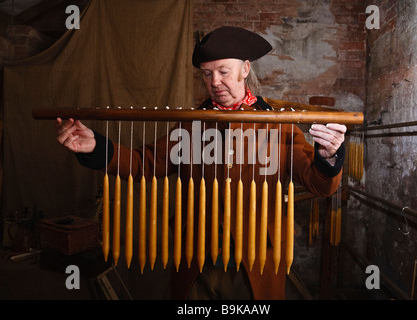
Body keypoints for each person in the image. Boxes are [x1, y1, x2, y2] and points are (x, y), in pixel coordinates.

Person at [56, 26, 346, 300]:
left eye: (223, 72)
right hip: (196, 263)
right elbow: (143, 163)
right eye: (207, 74)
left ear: (245, 69)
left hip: (257, 265)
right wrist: (95, 147)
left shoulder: (278, 126)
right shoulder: (192, 125)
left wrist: (328, 156)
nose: (215, 83)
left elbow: (321, 186)